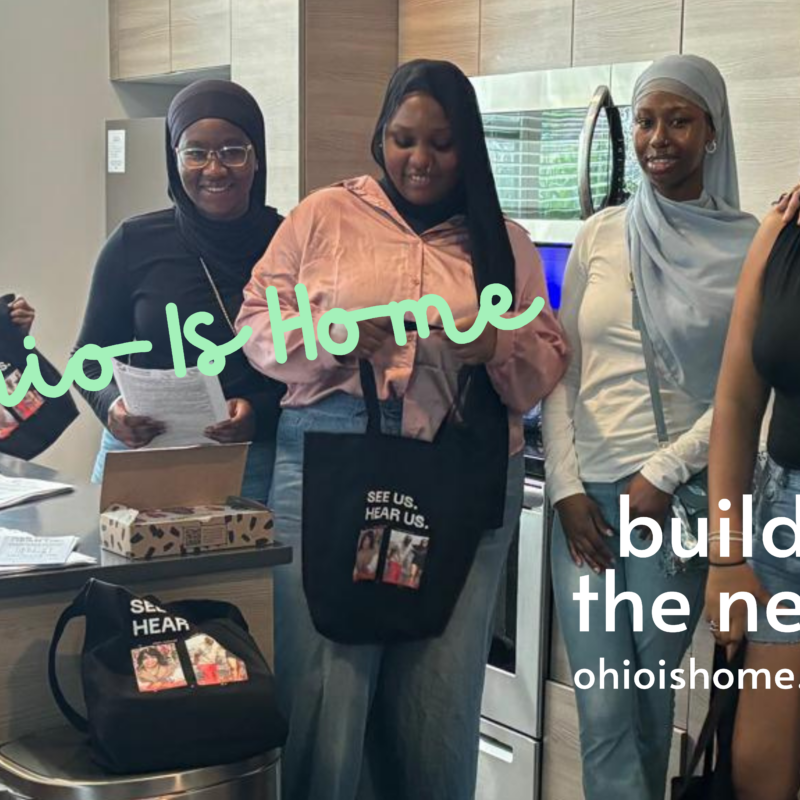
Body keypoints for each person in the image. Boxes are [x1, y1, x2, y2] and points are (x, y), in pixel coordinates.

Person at [236, 59, 568, 800]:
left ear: (470, 146)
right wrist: (333, 336)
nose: (420, 160)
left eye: (443, 143)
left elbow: (546, 358)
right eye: (403, 139)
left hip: (461, 470)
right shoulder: (322, 216)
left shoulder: (501, 238)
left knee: (437, 693)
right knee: (328, 677)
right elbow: (255, 323)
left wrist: (496, 348)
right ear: (379, 136)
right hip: (335, 459)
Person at [542, 54, 759, 800]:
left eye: (678, 120)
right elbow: (560, 370)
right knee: (602, 703)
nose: (657, 137)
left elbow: (741, 394)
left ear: (711, 132)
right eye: (645, 120)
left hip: (679, 504)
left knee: (647, 700)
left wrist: (662, 472)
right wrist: (568, 489)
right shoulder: (599, 233)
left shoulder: (748, 247)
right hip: (587, 509)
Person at [73, 80, 284, 502]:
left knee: (240, 572)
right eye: (196, 152)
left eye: (232, 150)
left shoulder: (289, 243)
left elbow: (319, 368)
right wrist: (113, 408)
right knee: (121, 570)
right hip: (143, 455)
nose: (215, 168)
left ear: (256, 157)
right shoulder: (133, 242)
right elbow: (87, 359)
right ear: (174, 159)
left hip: (249, 463)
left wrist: (257, 413)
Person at [704, 198, 800, 798]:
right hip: (783, 522)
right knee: (758, 773)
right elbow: (737, 403)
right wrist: (726, 556)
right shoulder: (781, 232)